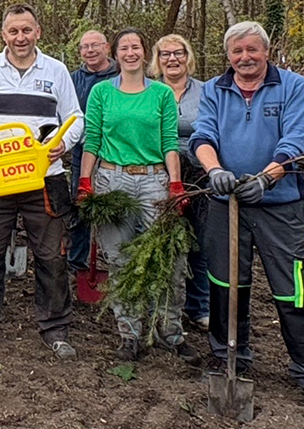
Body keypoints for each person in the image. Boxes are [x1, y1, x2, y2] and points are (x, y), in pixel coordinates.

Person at [190, 21, 304, 415]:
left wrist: (266, 179)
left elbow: (296, 141)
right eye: (237, 51)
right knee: (225, 283)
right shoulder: (215, 89)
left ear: (266, 52)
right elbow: (202, 136)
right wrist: (214, 171)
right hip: (227, 203)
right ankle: (228, 356)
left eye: (252, 50)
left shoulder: (293, 87)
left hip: (280, 205)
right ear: (228, 55)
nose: (245, 58)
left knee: (293, 288)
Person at [0, 4, 82, 360]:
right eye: (13, 31)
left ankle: (55, 327)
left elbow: (75, 117)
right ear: (3, 35)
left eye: (26, 30)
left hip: (44, 178)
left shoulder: (56, 70)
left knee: (51, 255)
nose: (20, 37)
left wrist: (63, 143)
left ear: (38, 32)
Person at [76, 28, 196, 363]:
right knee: (120, 260)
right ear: (115, 54)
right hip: (112, 180)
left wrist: (175, 184)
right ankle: (129, 333)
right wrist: (85, 181)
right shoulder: (101, 92)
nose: (130, 53)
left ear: (145, 53)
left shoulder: (161, 94)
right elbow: (92, 139)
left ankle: (170, 330)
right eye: (124, 48)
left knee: (168, 259)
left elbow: (169, 141)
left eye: (136, 47)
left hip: (154, 179)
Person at [148, 33, 209, 331]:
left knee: (198, 241)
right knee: (163, 241)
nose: (172, 59)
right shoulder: (148, 92)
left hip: (199, 174)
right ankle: (159, 305)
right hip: (159, 173)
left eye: (178, 53)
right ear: (157, 60)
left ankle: (199, 306)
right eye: (165, 54)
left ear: (188, 57)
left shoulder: (207, 92)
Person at [68, 30, 119, 274]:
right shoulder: (73, 79)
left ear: (106, 47)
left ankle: (116, 259)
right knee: (81, 207)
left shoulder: (121, 75)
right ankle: (77, 261)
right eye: (84, 47)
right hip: (82, 151)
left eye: (94, 45)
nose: (89, 51)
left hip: (116, 153)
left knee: (115, 206)